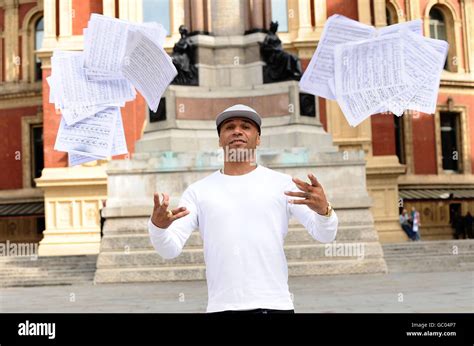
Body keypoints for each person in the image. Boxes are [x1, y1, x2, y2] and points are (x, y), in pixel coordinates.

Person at [148, 104, 338, 314]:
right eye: (229, 127)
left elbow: (325, 235)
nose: (237, 131)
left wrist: (324, 211)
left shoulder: (283, 185)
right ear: (220, 140)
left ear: (258, 139)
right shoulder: (198, 192)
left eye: (246, 126)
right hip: (222, 307)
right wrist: (158, 227)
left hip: (275, 305)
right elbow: (169, 249)